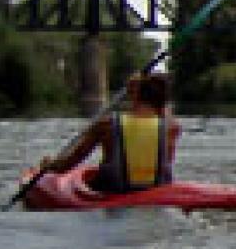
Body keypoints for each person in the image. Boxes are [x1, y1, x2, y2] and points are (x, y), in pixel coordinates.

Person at [43, 72, 181, 193]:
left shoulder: (105, 125)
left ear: (135, 96)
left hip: (112, 192)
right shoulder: (172, 129)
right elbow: (163, 111)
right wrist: (142, 88)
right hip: (155, 194)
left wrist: (50, 165)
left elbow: (69, 164)